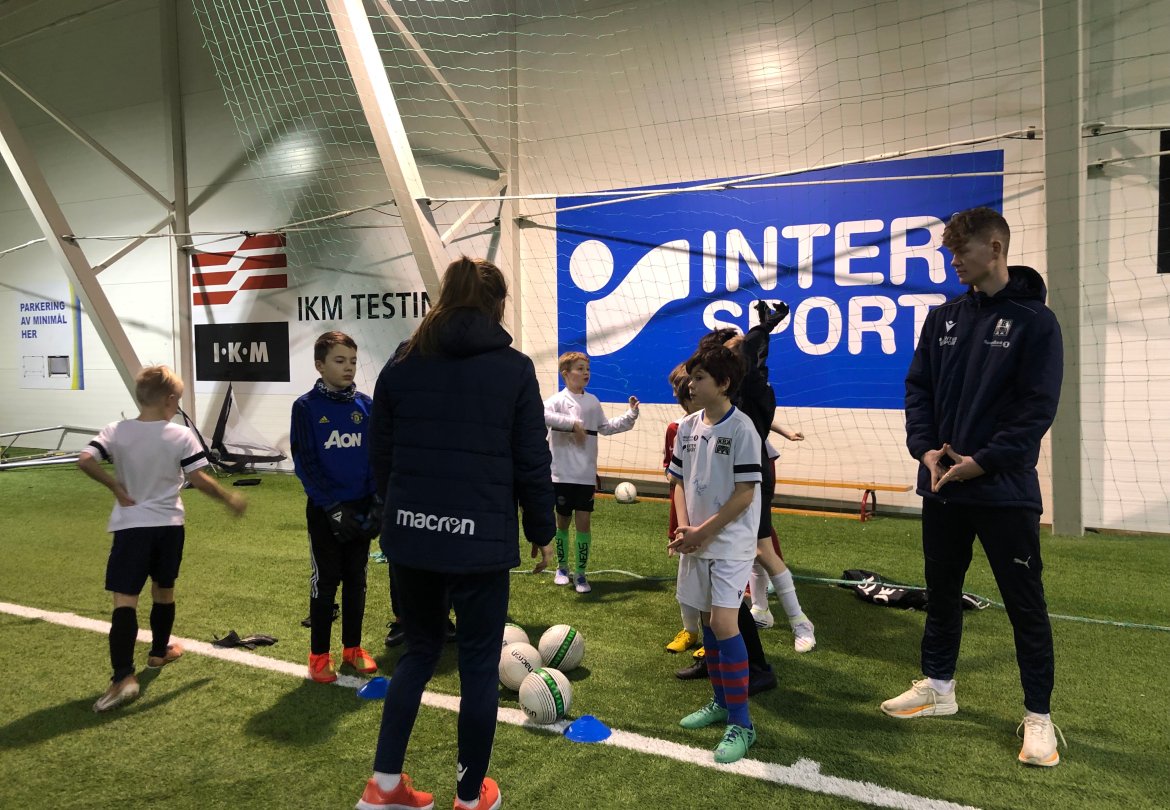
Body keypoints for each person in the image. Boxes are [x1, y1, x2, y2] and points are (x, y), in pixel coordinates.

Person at [358, 256, 555, 810]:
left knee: (419, 652)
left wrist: (397, 511)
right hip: (479, 542)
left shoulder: (402, 361)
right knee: (476, 666)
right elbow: (531, 458)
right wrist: (542, 529)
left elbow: (380, 452)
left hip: (412, 538)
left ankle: (384, 786)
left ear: (443, 296)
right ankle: (469, 798)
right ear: (498, 305)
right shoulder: (514, 369)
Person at [883, 207, 1066, 768]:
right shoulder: (943, 318)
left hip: (1004, 492)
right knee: (941, 593)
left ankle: (1038, 717)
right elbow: (918, 390)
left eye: (961, 251)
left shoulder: (1036, 322)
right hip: (943, 487)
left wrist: (982, 463)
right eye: (951, 253)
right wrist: (925, 450)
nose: (954, 262)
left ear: (996, 248)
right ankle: (939, 687)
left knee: (1024, 605)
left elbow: (1037, 410)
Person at [78, 365, 246, 712]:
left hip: (130, 527)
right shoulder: (180, 435)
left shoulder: (116, 430)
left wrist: (115, 486)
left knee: (125, 601)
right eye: (178, 400)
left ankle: (124, 675)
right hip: (169, 526)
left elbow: (85, 460)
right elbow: (198, 479)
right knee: (164, 590)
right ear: (170, 400)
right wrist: (228, 498)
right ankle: (157, 652)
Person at [699, 305, 817, 653]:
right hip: (723, 474)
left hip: (752, 474)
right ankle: (761, 609)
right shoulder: (727, 389)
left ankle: (800, 621)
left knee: (762, 548)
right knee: (746, 548)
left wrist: (763, 328)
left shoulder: (752, 387)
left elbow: (749, 349)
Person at [667, 345, 762, 764]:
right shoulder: (687, 426)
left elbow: (745, 495)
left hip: (730, 542)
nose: (691, 384)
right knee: (707, 620)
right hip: (698, 540)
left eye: (700, 377)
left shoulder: (742, 429)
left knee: (724, 622)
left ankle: (742, 723)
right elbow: (678, 482)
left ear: (723, 384)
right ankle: (721, 702)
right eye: (691, 376)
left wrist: (702, 533)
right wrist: (686, 529)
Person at [290, 331, 382, 684]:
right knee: (325, 581)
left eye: (353, 361)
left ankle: (352, 648)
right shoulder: (306, 407)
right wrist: (331, 507)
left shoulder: (366, 406)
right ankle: (318, 655)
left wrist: (376, 502)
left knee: (357, 579)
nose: (348, 367)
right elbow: (306, 463)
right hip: (326, 511)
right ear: (320, 365)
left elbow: (374, 458)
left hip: (360, 507)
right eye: (340, 361)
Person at [543, 351, 639, 593]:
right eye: (580, 368)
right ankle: (562, 568)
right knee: (562, 521)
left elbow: (605, 427)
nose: (586, 372)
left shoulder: (593, 402)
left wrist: (630, 415)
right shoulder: (556, 401)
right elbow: (541, 415)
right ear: (565, 373)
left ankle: (581, 574)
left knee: (584, 523)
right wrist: (571, 424)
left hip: (585, 475)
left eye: (587, 368)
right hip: (561, 474)